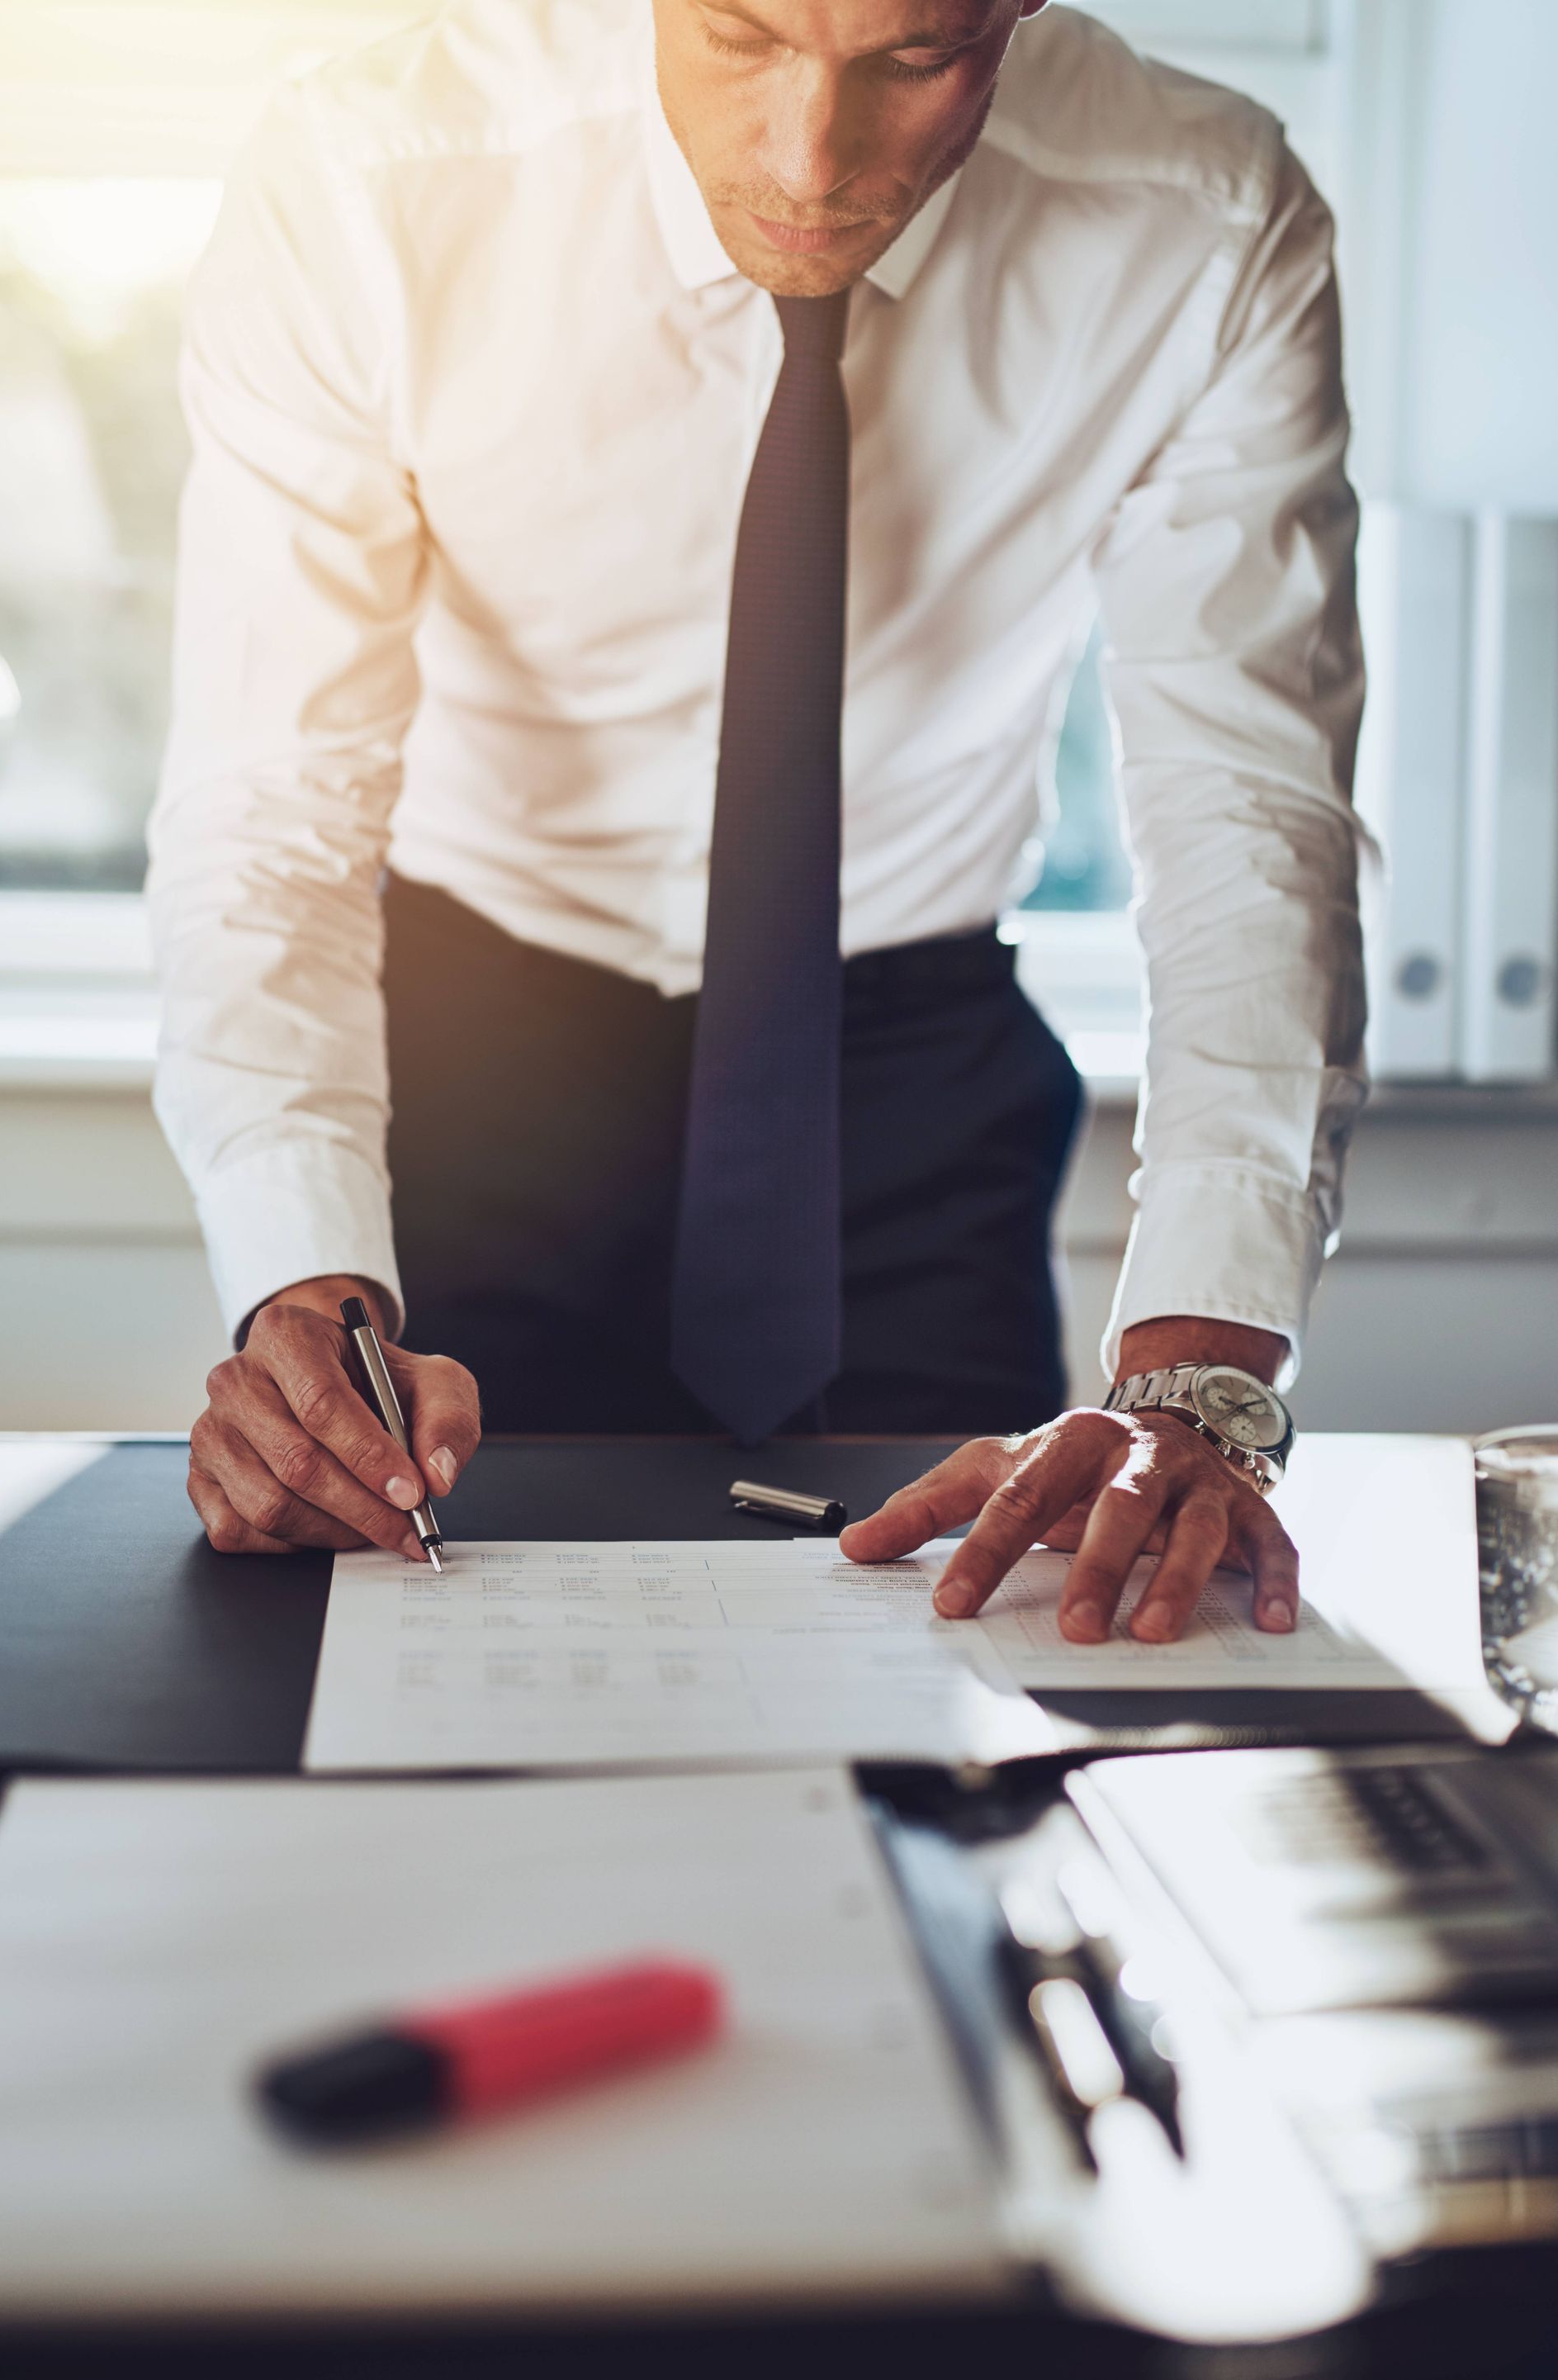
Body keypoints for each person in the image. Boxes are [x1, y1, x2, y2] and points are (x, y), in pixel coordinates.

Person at [149, 0, 1366, 1647]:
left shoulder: (1208, 218)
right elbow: (273, 796)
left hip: (908, 1062)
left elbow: (1246, 799)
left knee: (988, 1681)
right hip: (478, 1042)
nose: (811, 158)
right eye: (739, 35)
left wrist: (1200, 1379)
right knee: (411, 1666)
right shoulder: (373, 180)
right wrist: (302, 1287)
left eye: (914, 59)